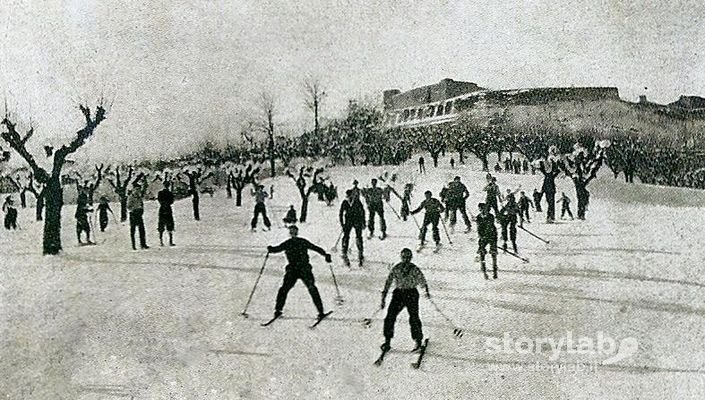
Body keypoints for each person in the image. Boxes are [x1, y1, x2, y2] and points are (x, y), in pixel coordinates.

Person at [267, 225, 332, 320]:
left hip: (295, 269)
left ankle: (278, 311)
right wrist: (325, 255)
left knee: (285, 289)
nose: (293, 233)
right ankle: (321, 312)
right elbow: (316, 248)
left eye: (293, 231)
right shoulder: (301, 241)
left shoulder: (288, 243)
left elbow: (276, 249)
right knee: (311, 288)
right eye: (292, 231)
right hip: (302, 269)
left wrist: (270, 249)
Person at [380, 248, 430, 352]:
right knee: (390, 316)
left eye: (408, 257)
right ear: (401, 257)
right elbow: (388, 281)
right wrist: (383, 297)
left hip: (411, 293)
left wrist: (426, 291)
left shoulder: (414, 269)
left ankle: (418, 340)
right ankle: (387, 340)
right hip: (399, 293)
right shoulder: (396, 268)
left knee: (414, 317)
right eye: (404, 257)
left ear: (411, 258)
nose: (406, 260)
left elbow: (422, 280)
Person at [339, 189, 366, 265]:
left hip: (357, 221)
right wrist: (342, 224)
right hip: (348, 222)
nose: (349, 197)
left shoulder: (357, 202)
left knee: (359, 237)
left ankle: (360, 253)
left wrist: (363, 222)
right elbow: (341, 213)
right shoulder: (345, 202)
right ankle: (344, 253)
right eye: (348, 195)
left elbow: (362, 212)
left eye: (350, 195)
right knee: (346, 237)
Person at [476, 203, 498, 280]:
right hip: (483, 236)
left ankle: (495, 270)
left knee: (493, 252)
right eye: (480, 209)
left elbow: (490, 226)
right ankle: (483, 268)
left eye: (483, 209)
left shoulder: (491, 216)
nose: (482, 210)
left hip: (492, 235)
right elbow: (479, 228)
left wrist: (486, 235)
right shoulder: (478, 217)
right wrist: (481, 236)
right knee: (482, 251)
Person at [127, 178, 149, 250]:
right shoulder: (131, 197)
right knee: (133, 230)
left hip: (139, 214)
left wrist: (141, 210)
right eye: (136, 189)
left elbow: (141, 204)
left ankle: (143, 244)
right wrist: (134, 208)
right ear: (134, 190)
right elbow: (128, 206)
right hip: (133, 214)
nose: (137, 191)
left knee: (142, 230)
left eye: (138, 189)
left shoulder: (139, 197)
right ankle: (133, 245)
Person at [157, 180, 176, 246]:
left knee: (161, 225)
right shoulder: (170, 193)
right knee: (169, 225)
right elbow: (172, 201)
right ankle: (170, 241)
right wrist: (167, 203)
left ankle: (161, 241)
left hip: (162, 209)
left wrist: (163, 203)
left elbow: (159, 200)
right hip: (168, 209)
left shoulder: (160, 193)